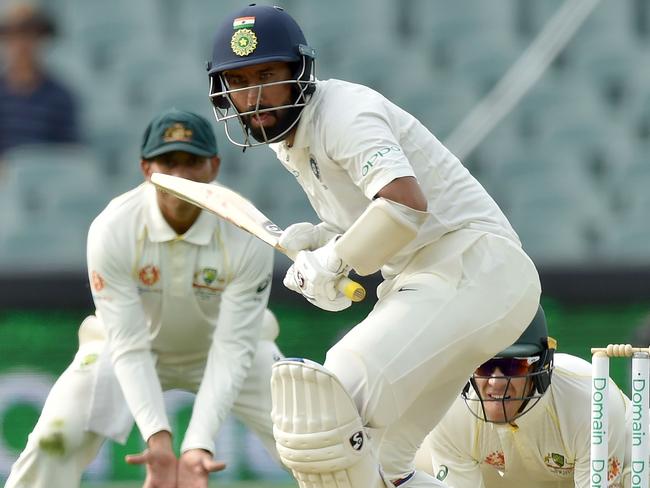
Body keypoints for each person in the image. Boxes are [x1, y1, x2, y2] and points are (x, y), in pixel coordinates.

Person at [205, 5, 541, 487]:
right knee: (382, 468)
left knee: (329, 400)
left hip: (472, 266)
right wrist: (323, 240)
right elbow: (377, 221)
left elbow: (405, 206)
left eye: (267, 75)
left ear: (299, 73)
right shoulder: (290, 139)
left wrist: (336, 260)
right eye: (239, 81)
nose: (254, 96)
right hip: (445, 279)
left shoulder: (344, 113)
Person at [4, 108, 282, 488]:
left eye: (192, 162)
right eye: (169, 162)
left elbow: (233, 348)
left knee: (318, 439)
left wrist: (198, 444)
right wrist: (159, 438)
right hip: (125, 351)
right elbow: (129, 346)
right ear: (146, 168)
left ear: (213, 167)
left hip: (238, 351)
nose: (181, 176)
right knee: (54, 442)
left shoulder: (246, 227)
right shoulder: (114, 227)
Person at [414, 305, 632, 487]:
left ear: (541, 365)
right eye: (483, 365)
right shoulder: (450, 411)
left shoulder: (590, 404)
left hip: (621, 456)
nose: (496, 382)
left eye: (513, 365)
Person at [0, 1, 79, 157]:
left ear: (41, 38)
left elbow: (69, 156)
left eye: (29, 33)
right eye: (14, 34)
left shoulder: (61, 97)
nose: (21, 43)